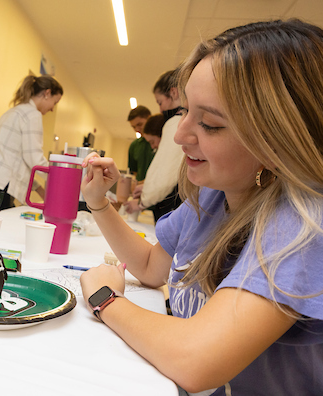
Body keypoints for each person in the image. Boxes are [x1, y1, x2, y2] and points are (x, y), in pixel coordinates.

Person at [80, 19, 323, 394]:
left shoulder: (304, 221)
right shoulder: (214, 193)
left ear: (277, 142)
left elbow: (196, 360)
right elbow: (150, 267)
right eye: (186, 112)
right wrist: (99, 203)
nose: (179, 135)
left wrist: (106, 299)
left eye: (209, 124)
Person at [0, 74, 63, 215]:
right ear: (47, 93)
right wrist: (60, 176)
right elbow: (34, 158)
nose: (53, 109)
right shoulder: (32, 115)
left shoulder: (14, 112)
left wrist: (39, 189)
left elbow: (17, 161)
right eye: (55, 102)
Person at [125, 70, 184, 222]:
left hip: (172, 207)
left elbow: (165, 175)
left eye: (160, 102)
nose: (161, 110)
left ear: (174, 92)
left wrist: (142, 201)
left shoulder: (176, 123)